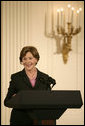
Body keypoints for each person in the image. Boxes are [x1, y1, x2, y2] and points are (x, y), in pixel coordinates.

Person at [4, 46, 56, 125]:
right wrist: (16, 98)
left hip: (40, 121)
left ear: (36, 59)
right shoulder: (16, 78)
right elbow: (7, 102)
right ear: (21, 61)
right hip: (20, 120)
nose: (27, 61)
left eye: (30, 58)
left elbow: (48, 100)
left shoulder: (45, 78)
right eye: (24, 59)